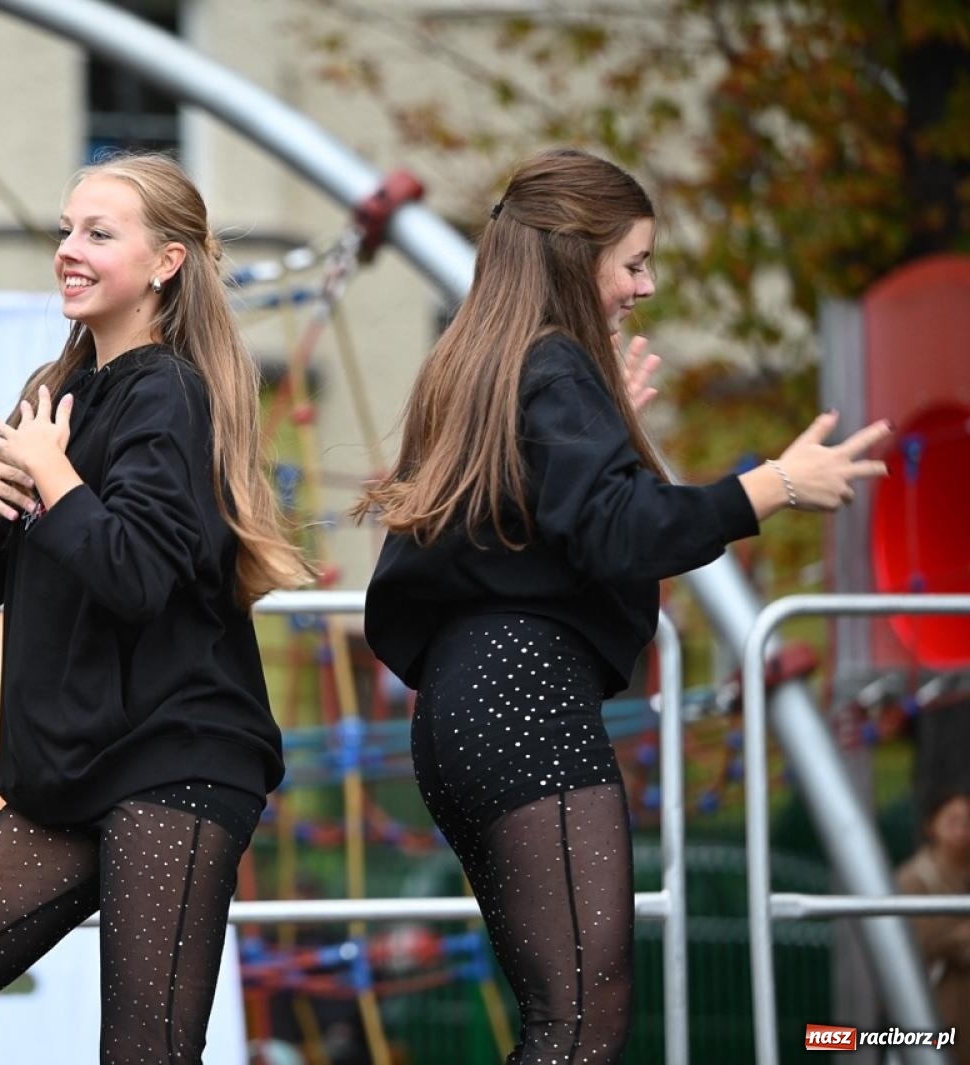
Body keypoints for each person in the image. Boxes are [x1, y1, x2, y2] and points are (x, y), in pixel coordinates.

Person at [356, 148, 892, 1064]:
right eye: (634, 262)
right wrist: (769, 486)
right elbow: (620, 529)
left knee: (559, 1018)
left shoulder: (478, 365)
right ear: (575, 256)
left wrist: (607, 420)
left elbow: (554, 516)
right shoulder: (553, 366)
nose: (644, 287)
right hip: (526, 704)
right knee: (581, 1023)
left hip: (461, 709)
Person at [0, 152, 311, 1064]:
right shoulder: (57, 394)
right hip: (74, 772)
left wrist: (54, 479)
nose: (69, 249)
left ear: (167, 262)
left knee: (144, 1051)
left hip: (175, 759)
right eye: (65, 230)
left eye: (98, 232)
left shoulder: (170, 392)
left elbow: (135, 576)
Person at [898, 790, 970, 1062]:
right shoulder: (914, 878)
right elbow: (924, 940)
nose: (963, 830)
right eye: (954, 820)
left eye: (969, 821)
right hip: (939, 1005)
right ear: (932, 824)